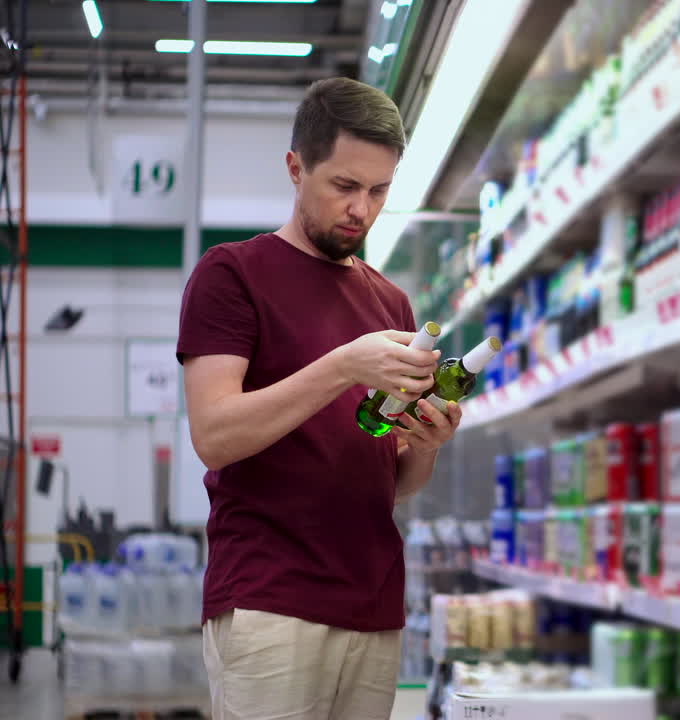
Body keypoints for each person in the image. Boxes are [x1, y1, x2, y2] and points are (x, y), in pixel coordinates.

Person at [177, 77, 459, 720]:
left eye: (379, 190)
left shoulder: (391, 303)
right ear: (296, 168)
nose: (361, 208)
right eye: (344, 186)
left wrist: (428, 444)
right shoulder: (233, 274)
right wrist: (341, 366)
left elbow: (390, 478)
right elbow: (214, 436)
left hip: (374, 603)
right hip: (269, 601)